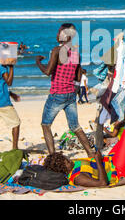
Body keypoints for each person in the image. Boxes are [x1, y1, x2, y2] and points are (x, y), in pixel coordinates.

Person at [35, 23, 94, 157]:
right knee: (75, 127)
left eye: (59, 32)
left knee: (46, 125)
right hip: (70, 95)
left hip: (57, 94)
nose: (57, 35)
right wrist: (75, 88)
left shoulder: (57, 50)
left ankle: (53, 157)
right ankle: (91, 153)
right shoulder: (75, 53)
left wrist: (38, 61)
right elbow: (78, 73)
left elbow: (48, 71)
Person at [44, 121, 125, 187]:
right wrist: (98, 161)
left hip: (110, 161)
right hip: (117, 170)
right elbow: (102, 183)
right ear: (62, 168)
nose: (69, 160)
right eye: (66, 162)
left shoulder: (71, 165)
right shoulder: (78, 178)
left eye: (66, 159)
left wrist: (96, 157)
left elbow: (90, 165)